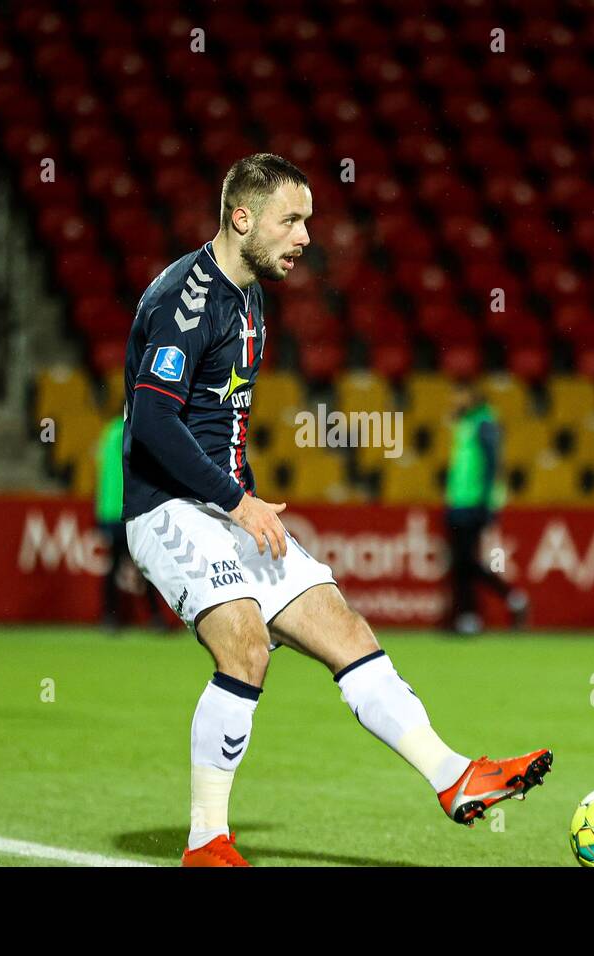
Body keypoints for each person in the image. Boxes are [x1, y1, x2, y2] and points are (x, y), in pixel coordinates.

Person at [122, 154, 552, 866]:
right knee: (245, 644)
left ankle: (455, 779)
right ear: (243, 217)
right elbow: (157, 421)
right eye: (291, 220)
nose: (304, 238)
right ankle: (206, 844)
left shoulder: (251, 296)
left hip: (227, 507)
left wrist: (243, 502)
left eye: (308, 222)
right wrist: (239, 502)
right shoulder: (184, 300)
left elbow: (218, 423)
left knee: (344, 627)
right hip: (168, 508)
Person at [444, 381, 528, 634]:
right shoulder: (466, 422)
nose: (454, 399)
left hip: (474, 502)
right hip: (458, 501)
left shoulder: (484, 422)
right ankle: (473, 616)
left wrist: (487, 502)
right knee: (463, 563)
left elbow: (493, 464)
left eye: (459, 393)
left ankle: (506, 600)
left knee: (467, 561)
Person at [95, 413, 166, 633]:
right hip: (131, 507)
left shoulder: (109, 432)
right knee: (144, 564)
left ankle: (109, 617)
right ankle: (155, 618)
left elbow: (101, 467)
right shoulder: (136, 430)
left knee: (115, 564)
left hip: (108, 509)